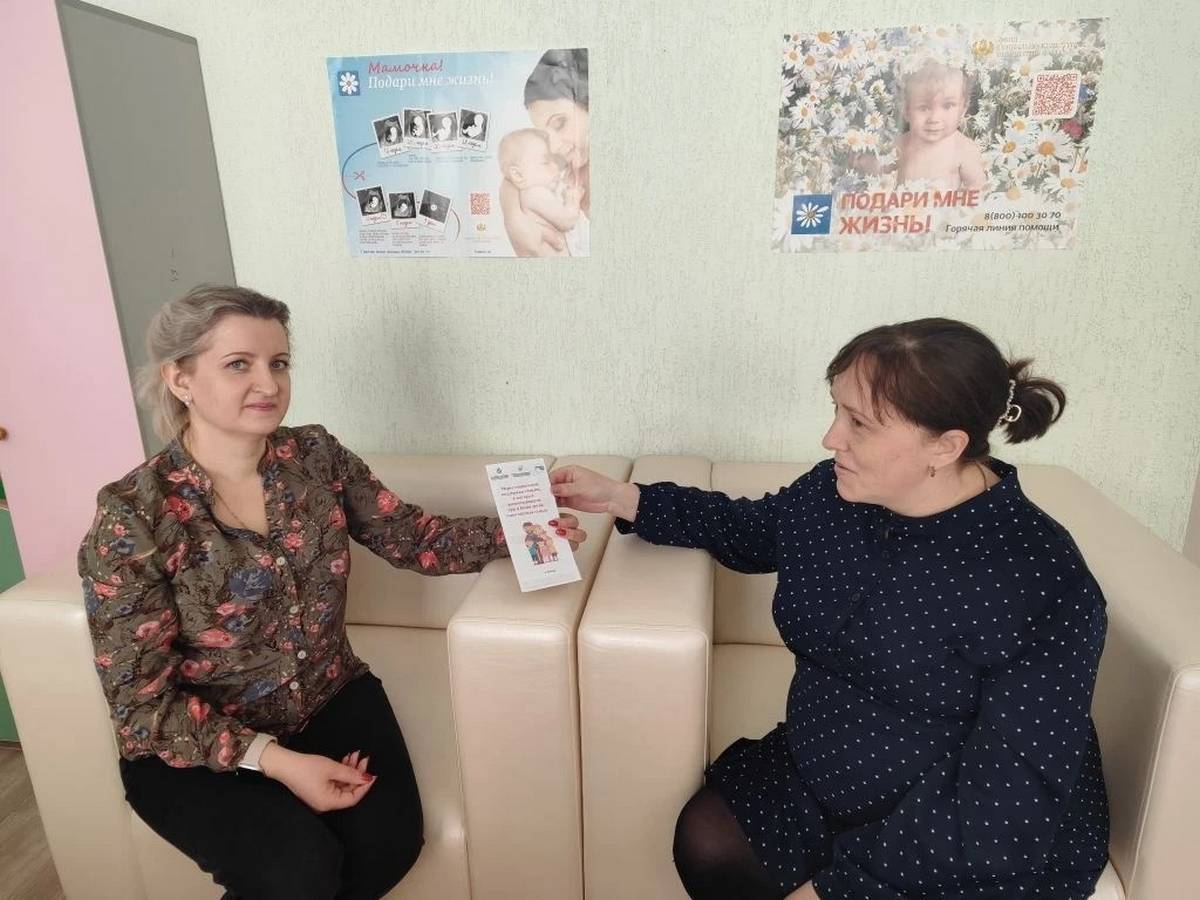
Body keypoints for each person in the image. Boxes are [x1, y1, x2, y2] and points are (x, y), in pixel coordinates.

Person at [550, 318, 1109, 900]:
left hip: (956, 820)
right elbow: (752, 529)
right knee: (709, 843)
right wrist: (623, 498)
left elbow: (1008, 795)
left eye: (859, 423)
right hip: (827, 765)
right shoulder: (834, 495)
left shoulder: (1038, 577)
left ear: (945, 446)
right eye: (836, 410)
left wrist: (838, 890)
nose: (830, 438)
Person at [79, 284, 586, 899]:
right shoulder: (134, 514)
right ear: (180, 379)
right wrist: (280, 763)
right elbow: (140, 706)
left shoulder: (315, 456)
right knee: (297, 870)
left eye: (279, 362)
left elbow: (412, 538)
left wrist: (523, 532)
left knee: (389, 847)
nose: (268, 384)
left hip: (331, 695)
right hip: (195, 741)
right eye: (238, 364)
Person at [503, 48, 591, 256]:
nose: (553, 147)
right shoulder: (563, 172)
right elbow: (514, 173)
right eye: (544, 136)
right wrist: (511, 212)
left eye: (559, 123)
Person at [895, 60, 987, 189]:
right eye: (924, 108)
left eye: (947, 106)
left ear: (963, 109)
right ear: (906, 110)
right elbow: (879, 172)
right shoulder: (900, 146)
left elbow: (978, 188)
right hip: (905, 202)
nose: (934, 118)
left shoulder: (964, 149)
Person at [498, 128, 581, 257]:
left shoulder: (529, 195)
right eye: (545, 162)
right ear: (518, 175)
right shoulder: (534, 193)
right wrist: (573, 199)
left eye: (554, 161)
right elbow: (568, 221)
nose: (555, 166)